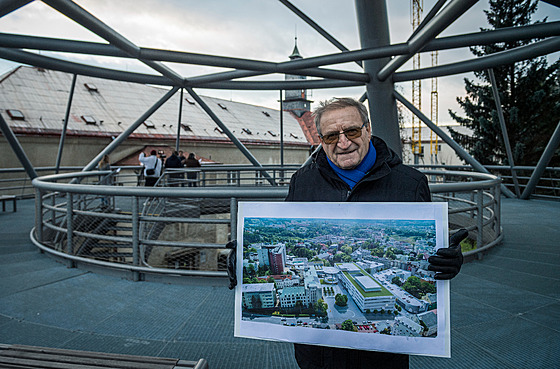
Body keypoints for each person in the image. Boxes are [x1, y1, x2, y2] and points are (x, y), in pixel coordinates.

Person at [282, 97, 465, 369]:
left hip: (382, 356)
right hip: (318, 353)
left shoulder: (409, 184)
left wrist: (448, 260)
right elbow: (283, 240)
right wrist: (243, 251)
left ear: (368, 129)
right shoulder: (303, 181)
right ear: (321, 140)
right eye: (331, 136)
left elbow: (428, 253)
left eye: (352, 131)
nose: (343, 143)